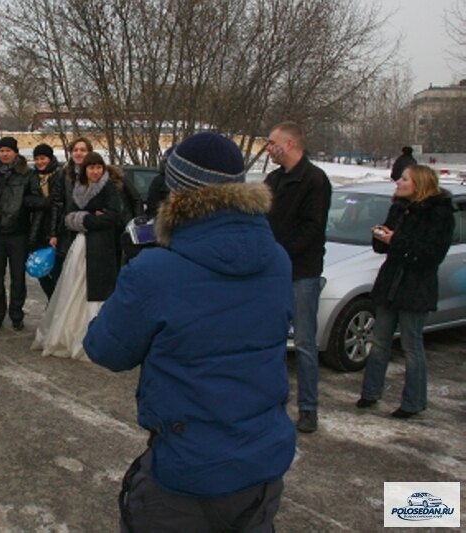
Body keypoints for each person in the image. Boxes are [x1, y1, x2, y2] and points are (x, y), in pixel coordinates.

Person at [84, 132, 295, 532]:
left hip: (186, 473)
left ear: (176, 192)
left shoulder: (155, 272)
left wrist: (140, 269)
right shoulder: (277, 260)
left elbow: (105, 348)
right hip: (262, 463)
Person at [357, 165, 454, 418]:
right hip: (390, 283)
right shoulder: (399, 207)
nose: (398, 182)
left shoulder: (439, 213)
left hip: (416, 287)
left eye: (404, 179)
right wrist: (380, 236)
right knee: (379, 341)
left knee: (412, 346)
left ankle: (413, 402)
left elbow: (432, 254)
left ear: (419, 184)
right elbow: (385, 247)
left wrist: (395, 240)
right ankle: (370, 392)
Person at [264, 121, 332, 434]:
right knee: (272, 340)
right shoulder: (274, 179)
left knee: (304, 343)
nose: (268, 148)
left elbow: (312, 228)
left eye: (272, 142)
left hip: (302, 272)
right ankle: (273, 398)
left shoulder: (315, 180)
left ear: (289, 144)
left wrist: (281, 254)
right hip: (273, 272)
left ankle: (308, 408)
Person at [32, 151, 120, 360]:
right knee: (74, 287)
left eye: (99, 167)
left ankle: (94, 337)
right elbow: (68, 217)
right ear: (85, 170)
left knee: (96, 289)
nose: (95, 172)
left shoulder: (108, 187)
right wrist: (88, 217)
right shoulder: (79, 187)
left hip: (101, 246)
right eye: (91, 167)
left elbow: (113, 216)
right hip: (80, 245)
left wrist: (85, 220)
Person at [0, 136, 43, 331]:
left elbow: (36, 199)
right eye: (1, 151)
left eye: (8, 150)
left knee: (17, 278)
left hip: (18, 232)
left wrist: (26, 204)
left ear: (15, 153)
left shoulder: (27, 174)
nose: (4, 154)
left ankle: (16, 314)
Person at [47, 136, 93, 287]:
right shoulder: (63, 174)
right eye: (75, 150)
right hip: (67, 231)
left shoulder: (97, 172)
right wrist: (53, 233)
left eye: (83, 150)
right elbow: (57, 204)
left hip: (91, 229)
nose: (79, 153)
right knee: (66, 276)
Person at [28, 143, 61, 299]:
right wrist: (45, 202)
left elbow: (58, 203)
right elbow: (26, 200)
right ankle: (51, 302)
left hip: (56, 231)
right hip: (37, 230)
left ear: (50, 158)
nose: (40, 162)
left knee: (56, 273)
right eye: (37, 159)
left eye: (43, 158)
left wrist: (54, 233)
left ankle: (55, 305)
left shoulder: (59, 175)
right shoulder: (32, 177)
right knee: (41, 272)